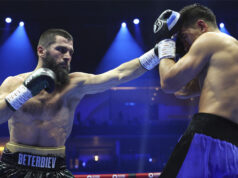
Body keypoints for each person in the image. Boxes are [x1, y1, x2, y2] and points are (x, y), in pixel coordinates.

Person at [0, 28, 163, 177]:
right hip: (13, 166)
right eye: (61, 50)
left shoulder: (74, 84)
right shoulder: (14, 83)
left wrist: (156, 54)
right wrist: (25, 92)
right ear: (41, 50)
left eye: (71, 52)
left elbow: (120, 74)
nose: (67, 56)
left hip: (55, 168)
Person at [155, 3, 238, 178]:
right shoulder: (229, 52)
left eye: (184, 37)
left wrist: (165, 47)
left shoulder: (209, 39)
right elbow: (182, 90)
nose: (185, 46)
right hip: (233, 146)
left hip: (208, 134)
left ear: (201, 26)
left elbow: (169, 83)